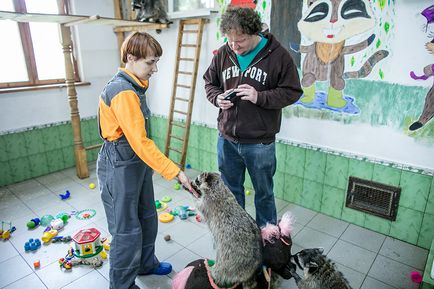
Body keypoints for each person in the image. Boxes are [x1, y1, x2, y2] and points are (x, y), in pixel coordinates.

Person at [97, 31, 193, 289]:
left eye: (156, 62)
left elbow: (139, 146)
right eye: (151, 62)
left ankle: (145, 264)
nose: (155, 69)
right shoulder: (122, 91)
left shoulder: (135, 85)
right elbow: (140, 142)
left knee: (148, 217)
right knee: (126, 231)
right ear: (131, 58)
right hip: (118, 166)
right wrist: (176, 172)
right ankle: (122, 285)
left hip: (136, 164)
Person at [203, 6, 303, 227]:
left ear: (255, 33)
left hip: (260, 143)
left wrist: (260, 97)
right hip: (227, 139)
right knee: (231, 194)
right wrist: (217, 98)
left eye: (240, 41)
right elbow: (210, 83)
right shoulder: (224, 53)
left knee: (264, 194)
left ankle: (267, 244)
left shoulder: (278, 56)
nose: (234, 46)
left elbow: (292, 92)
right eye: (229, 40)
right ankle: (239, 240)